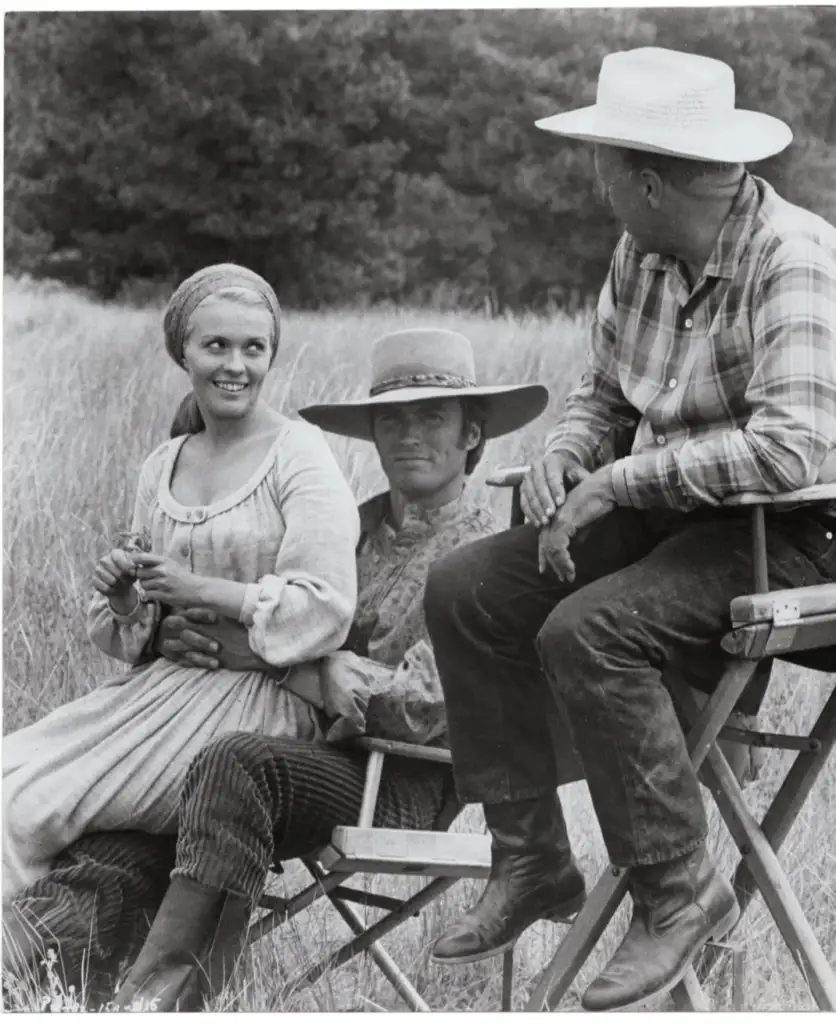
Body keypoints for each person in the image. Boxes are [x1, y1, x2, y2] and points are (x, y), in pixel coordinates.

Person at [424, 47, 836, 1011]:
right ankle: (531, 860)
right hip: (675, 520)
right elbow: (605, 391)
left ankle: (679, 887)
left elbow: (793, 454)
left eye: (602, 161)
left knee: (591, 630)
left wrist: (618, 481)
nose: (596, 179)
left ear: (646, 181)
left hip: (802, 538)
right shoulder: (641, 252)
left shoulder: (796, 261)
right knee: (466, 589)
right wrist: (574, 451)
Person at [4, 329, 556, 1011]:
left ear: (473, 433)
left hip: (404, 779)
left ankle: (161, 1002)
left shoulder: (491, 556)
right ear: (373, 434)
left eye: (432, 417)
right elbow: (255, 625)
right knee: (126, 809)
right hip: (287, 753)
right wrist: (181, 633)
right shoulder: (343, 529)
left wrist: (292, 668)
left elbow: (424, 705)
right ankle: (32, 973)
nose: (410, 435)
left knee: (234, 766)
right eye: (392, 418)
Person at [2, 264, 361, 909]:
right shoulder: (162, 465)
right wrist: (128, 603)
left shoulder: (299, 453)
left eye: (255, 348)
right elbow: (141, 623)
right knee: (8, 772)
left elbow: (326, 607)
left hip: (262, 705)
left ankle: (26, 962)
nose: (236, 365)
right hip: (163, 690)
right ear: (183, 353)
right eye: (216, 345)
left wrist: (204, 591)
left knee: (31, 807)